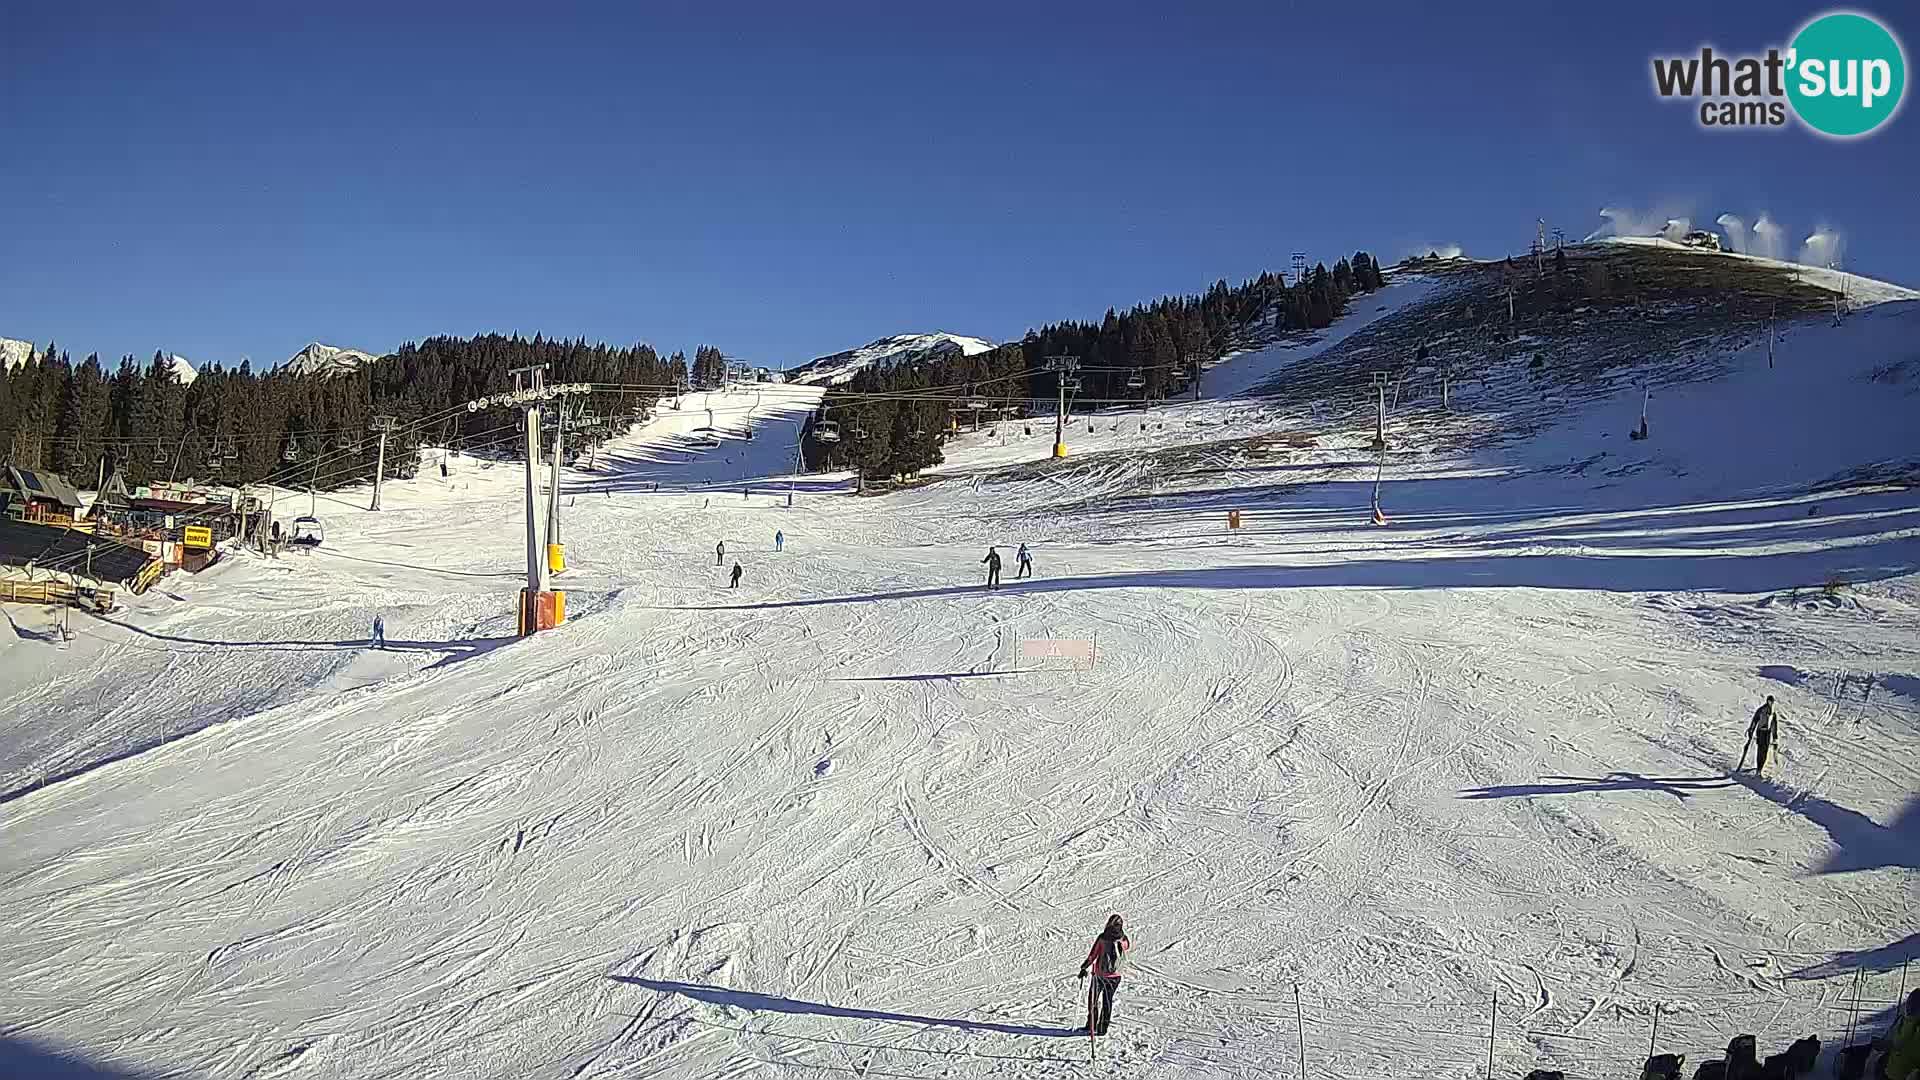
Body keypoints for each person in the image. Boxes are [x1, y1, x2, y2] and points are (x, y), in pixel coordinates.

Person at [1078, 913, 1130, 1036]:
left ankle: (1091, 1025)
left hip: (1100, 975)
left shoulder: (1102, 938)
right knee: (1107, 1001)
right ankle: (1102, 1028)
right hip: (1115, 976)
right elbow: (1126, 950)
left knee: (1093, 1000)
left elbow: (1093, 954)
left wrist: (1084, 967)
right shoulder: (1124, 939)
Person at [1748, 695, 1781, 773]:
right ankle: (1759, 768)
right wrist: (1751, 730)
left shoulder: (1773, 713)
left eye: (1772, 702)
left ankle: (1761, 767)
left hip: (1767, 733)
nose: (1771, 703)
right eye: (1770, 701)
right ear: (1767, 701)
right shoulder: (1761, 710)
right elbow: (1755, 720)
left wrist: (1774, 736)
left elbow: (1774, 725)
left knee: (1765, 751)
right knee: (1760, 750)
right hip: (1761, 732)